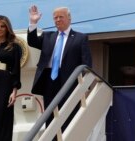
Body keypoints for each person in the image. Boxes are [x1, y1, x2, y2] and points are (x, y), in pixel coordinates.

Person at [27, 5, 92, 133]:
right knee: (50, 118)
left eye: (60, 17)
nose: (57, 20)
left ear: (69, 18)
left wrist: (85, 86)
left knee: (69, 116)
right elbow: (32, 41)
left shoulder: (80, 38)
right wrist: (33, 23)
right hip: (49, 82)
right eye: (55, 18)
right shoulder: (47, 36)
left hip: (70, 82)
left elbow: (87, 65)